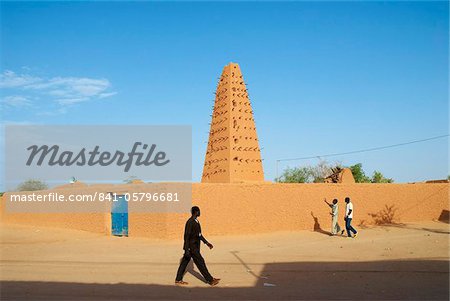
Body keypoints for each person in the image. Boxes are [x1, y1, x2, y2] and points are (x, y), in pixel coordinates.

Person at [175, 206, 220, 286]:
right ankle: (210, 280)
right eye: (199, 211)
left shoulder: (196, 221)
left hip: (194, 247)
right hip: (192, 247)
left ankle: (178, 279)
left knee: (184, 263)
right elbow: (186, 236)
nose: (200, 212)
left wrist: (206, 243)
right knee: (200, 262)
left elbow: (199, 235)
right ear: (196, 212)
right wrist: (186, 249)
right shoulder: (190, 222)